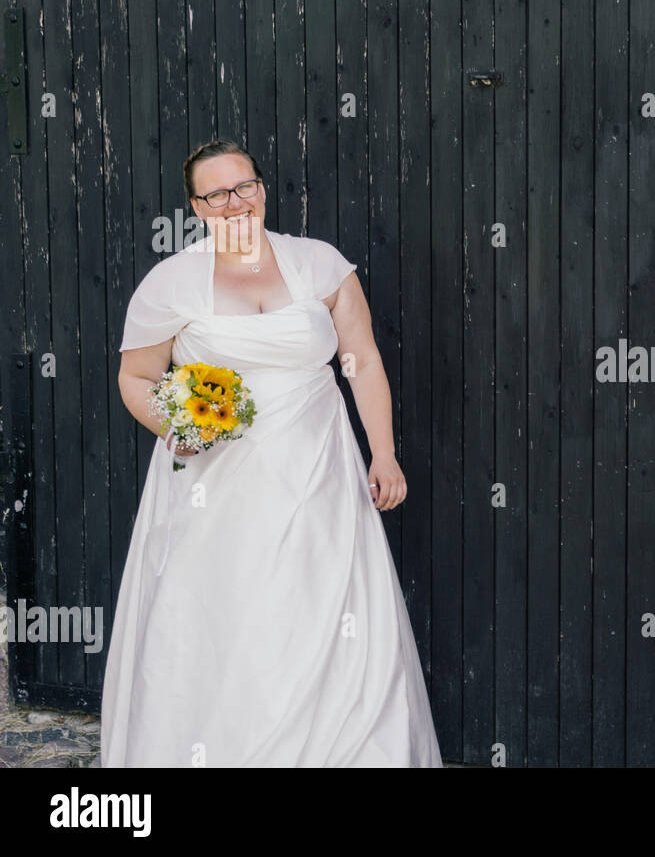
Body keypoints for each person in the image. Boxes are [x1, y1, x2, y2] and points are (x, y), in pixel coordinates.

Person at [103, 139, 441, 767]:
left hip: (318, 472)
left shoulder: (320, 265)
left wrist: (384, 454)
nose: (236, 203)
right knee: (223, 611)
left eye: (245, 186)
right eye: (217, 194)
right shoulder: (170, 282)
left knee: (323, 609)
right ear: (196, 207)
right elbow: (136, 378)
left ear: (261, 187)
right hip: (215, 481)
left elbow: (361, 361)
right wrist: (174, 425)